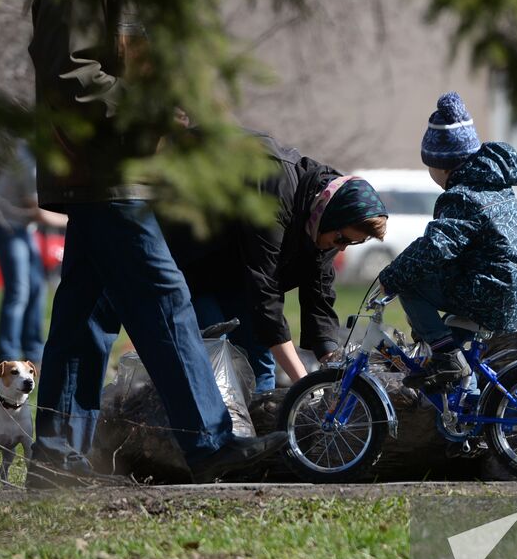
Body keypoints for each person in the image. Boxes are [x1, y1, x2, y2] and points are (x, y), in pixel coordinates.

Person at [28, 0, 287, 485]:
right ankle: (209, 442)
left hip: (116, 173)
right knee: (164, 297)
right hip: (103, 175)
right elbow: (73, 76)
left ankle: (56, 458)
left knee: (85, 318)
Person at [166, 133, 388, 392]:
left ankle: (258, 424)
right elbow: (265, 289)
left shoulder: (325, 221)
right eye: (341, 238)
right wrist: (304, 383)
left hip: (238, 277)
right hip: (193, 261)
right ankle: (210, 429)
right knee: (215, 353)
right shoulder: (276, 187)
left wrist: (330, 364)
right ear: (331, 217)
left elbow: (319, 293)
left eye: (351, 243)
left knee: (260, 365)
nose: (341, 247)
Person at [377, 92, 517, 390]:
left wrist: (392, 275)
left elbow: (437, 246)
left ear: (443, 165)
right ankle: (463, 420)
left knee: (410, 283)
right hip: (505, 289)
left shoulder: (462, 196)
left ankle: (445, 357)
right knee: (456, 354)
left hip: (488, 290)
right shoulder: (491, 184)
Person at [0, 138, 65, 366]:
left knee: (37, 287)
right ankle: (6, 355)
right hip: (5, 226)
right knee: (19, 290)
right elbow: (41, 213)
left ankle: (34, 353)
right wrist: (77, 220)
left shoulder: (31, 155)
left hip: (22, 228)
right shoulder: (29, 165)